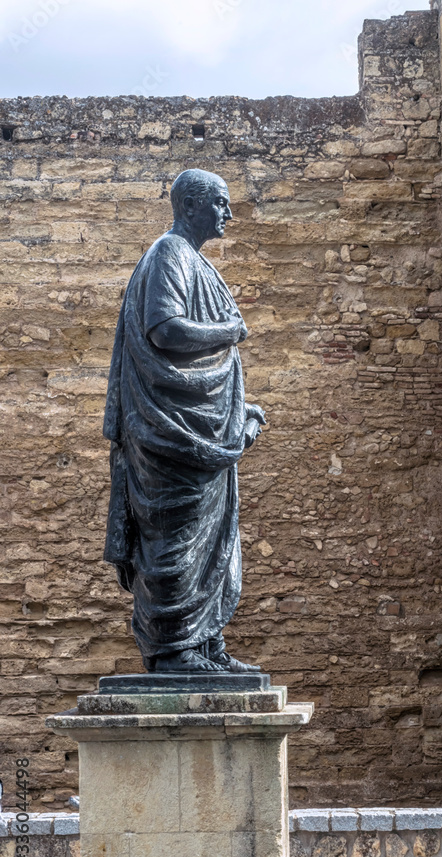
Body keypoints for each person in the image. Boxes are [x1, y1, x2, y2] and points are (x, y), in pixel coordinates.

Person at [103, 168, 265, 674]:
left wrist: (236, 409)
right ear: (191, 205)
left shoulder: (193, 260)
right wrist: (226, 332)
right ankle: (174, 651)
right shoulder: (170, 254)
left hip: (200, 426)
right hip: (169, 433)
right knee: (176, 536)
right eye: (220, 202)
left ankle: (204, 643)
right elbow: (166, 330)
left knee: (210, 536)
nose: (229, 213)